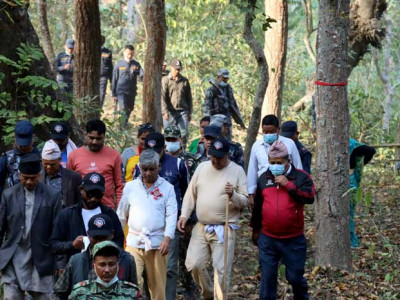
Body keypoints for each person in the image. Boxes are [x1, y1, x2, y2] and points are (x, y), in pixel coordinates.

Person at [178, 138, 248, 300]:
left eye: (220, 158)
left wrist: (233, 195)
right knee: (194, 264)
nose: (215, 161)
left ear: (227, 155)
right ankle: (208, 294)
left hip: (225, 227)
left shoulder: (237, 171)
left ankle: (219, 297)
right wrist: (184, 215)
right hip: (202, 226)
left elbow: (244, 202)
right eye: (213, 157)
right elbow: (190, 195)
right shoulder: (202, 167)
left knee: (221, 271)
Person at [250, 140, 315, 300]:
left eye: (279, 162)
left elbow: (310, 197)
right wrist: (255, 230)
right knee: (267, 278)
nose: (275, 166)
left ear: (288, 160)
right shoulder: (264, 178)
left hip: (293, 240)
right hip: (268, 238)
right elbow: (258, 206)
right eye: (272, 162)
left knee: (294, 278)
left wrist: (289, 185)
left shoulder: (301, 177)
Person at [117, 150, 177, 300]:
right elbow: (121, 214)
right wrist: (118, 239)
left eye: (152, 169)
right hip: (133, 242)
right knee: (132, 282)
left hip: (157, 244)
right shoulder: (130, 187)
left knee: (157, 287)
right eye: (144, 169)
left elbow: (171, 215)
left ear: (159, 167)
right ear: (139, 168)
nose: (148, 173)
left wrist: (167, 238)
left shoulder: (167, 188)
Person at [0, 153, 62, 300]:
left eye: (33, 178)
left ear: (40, 175)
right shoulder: (8, 195)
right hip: (14, 255)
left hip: (41, 257)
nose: (28, 182)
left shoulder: (52, 196)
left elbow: (58, 232)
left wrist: (60, 262)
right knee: (12, 297)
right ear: (19, 174)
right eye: (25, 177)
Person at [139, 132, 189, 300]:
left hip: (170, 222)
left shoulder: (177, 164)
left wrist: (184, 217)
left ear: (164, 148)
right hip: (146, 225)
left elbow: (186, 192)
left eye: (157, 150)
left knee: (169, 266)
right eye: (150, 149)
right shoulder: (139, 167)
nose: (154, 153)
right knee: (147, 268)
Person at [50, 172, 124, 270]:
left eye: (98, 195)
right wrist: (72, 245)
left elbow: (119, 241)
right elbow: (54, 245)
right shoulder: (67, 215)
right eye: (90, 194)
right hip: (76, 268)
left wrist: (106, 246)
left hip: (105, 270)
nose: (93, 198)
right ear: (81, 190)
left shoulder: (110, 214)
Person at [53, 214, 137, 300]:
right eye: (96, 238)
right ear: (88, 235)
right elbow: (58, 293)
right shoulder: (75, 261)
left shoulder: (127, 259)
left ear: (112, 234)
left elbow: (135, 293)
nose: (99, 242)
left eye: (104, 238)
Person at [247, 115, 303, 210]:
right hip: (264, 186)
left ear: (278, 129)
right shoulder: (257, 146)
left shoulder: (289, 144)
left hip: (286, 184)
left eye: (272, 131)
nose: (268, 134)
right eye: (265, 132)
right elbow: (252, 169)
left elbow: (298, 167)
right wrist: (251, 193)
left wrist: (299, 188)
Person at [67, 119, 124, 209]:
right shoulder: (73, 156)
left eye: (98, 139)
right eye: (91, 138)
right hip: (81, 209)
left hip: (106, 208)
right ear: (85, 135)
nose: (94, 142)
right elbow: (69, 185)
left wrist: (120, 211)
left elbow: (119, 185)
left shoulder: (114, 156)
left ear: (104, 137)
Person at [69, 241, 141, 299]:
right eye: (102, 265)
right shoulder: (79, 293)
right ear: (94, 266)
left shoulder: (133, 293)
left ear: (118, 265)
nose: (107, 270)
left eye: (111, 264)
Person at [0, 120, 39, 198]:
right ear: (15, 137)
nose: (23, 147)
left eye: (26, 143)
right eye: (20, 143)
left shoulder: (42, 156)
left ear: (33, 137)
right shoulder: (7, 158)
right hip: (14, 201)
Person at [203, 68, 245, 140]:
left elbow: (233, 104)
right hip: (215, 119)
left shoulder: (228, 88)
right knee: (215, 139)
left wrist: (239, 120)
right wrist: (207, 120)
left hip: (226, 119)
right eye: (224, 78)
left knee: (227, 140)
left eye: (227, 78)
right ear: (218, 77)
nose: (225, 80)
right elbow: (207, 106)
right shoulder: (212, 90)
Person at [349, 139, 375, 247]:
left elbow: (371, 150)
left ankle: (352, 242)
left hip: (350, 182)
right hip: (345, 181)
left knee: (348, 212)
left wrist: (353, 165)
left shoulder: (349, 143)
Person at [161, 58, 193, 148]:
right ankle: (168, 152)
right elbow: (162, 97)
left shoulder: (184, 81)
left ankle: (181, 151)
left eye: (179, 69)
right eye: (175, 69)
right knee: (169, 135)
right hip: (170, 112)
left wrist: (190, 112)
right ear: (171, 68)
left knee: (184, 134)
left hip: (182, 111)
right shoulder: (165, 80)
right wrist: (164, 111)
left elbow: (189, 97)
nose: (177, 71)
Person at [40, 140, 81, 208]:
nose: (49, 167)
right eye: (46, 164)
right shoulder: (38, 178)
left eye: (52, 164)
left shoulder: (73, 178)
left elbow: (79, 203)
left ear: (59, 160)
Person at [112, 45, 143, 126]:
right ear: (124, 52)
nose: (130, 56)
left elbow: (142, 75)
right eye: (128, 54)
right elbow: (114, 79)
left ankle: (124, 122)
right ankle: (123, 125)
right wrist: (113, 94)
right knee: (123, 108)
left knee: (130, 108)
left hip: (131, 91)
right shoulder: (119, 64)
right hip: (121, 91)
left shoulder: (136, 64)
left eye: (132, 54)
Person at [100, 35, 113, 107]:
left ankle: (99, 110)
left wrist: (112, 80)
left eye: (102, 40)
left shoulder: (107, 51)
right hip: (93, 76)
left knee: (102, 94)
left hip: (103, 76)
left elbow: (110, 66)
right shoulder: (91, 50)